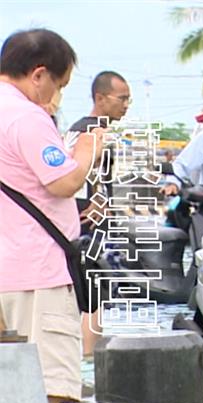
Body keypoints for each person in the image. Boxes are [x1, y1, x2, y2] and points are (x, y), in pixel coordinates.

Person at [0, 28, 105, 403]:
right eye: (58, 85)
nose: (56, 96)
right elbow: (63, 181)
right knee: (45, 402)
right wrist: (86, 150)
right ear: (38, 74)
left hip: (7, 272)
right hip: (37, 274)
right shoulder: (27, 116)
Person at [67, 70, 131, 356]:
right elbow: (83, 171)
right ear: (100, 98)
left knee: (85, 290)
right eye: (122, 99)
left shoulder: (80, 128)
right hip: (87, 218)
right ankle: (89, 357)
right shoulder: (93, 131)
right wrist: (96, 200)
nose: (126, 105)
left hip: (80, 215)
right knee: (94, 294)